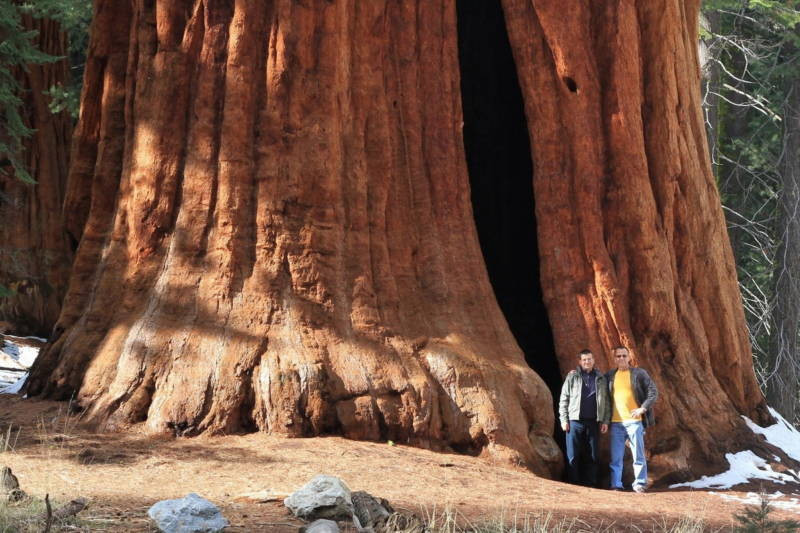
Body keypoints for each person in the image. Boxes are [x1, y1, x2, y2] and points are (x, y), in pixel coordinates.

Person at [607, 345, 658, 493]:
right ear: (614, 358)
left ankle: (639, 484)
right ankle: (616, 484)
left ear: (629, 357)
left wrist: (643, 408)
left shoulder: (639, 373)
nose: (621, 358)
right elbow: (597, 382)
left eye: (624, 355)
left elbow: (653, 391)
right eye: (618, 356)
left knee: (638, 455)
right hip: (616, 423)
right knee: (616, 457)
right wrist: (576, 373)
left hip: (634, 422)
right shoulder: (610, 376)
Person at [558, 349, 610, 487]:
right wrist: (564, 420)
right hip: (574, 422)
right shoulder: (572, 377)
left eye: (589, 359)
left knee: (592, 455)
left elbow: (606, 401)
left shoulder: (600, 378)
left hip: (593, 422)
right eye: (584, 359)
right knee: (572, 455)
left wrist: (605, 420)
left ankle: (591, 484)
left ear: (594, 360)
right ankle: (573, 483)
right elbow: (564, 399)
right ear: (580, 362)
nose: (587, 362)